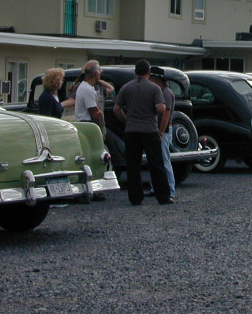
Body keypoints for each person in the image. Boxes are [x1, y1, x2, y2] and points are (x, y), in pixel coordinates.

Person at [113, 59, 173, 205]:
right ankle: (163, 196)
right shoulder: (154, 88)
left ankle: (135, 197)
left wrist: (126, 120)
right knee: (156, 164)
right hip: (149, 129)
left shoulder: (127, 87)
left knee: (133, 165)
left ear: (135, 72)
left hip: (132, 130)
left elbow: (116, 108)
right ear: (148, 72)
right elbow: (160, 108)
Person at [149, 66, 176, 201]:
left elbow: (166, 114)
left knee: (165, 160)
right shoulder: (161, 92)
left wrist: (161, 131)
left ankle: (170, 189)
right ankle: (156, 187)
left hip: (164, 130)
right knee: (157, 160)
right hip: (160, 129)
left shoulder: (165, 93)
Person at [74, 60, 114, 134]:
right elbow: (94, 113)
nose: (101, 72)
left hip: (87, 124)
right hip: (87, 125)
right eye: (99, 70)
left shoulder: (88, 87)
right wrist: (100, 131)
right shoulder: (87, 89)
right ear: (96, 73)